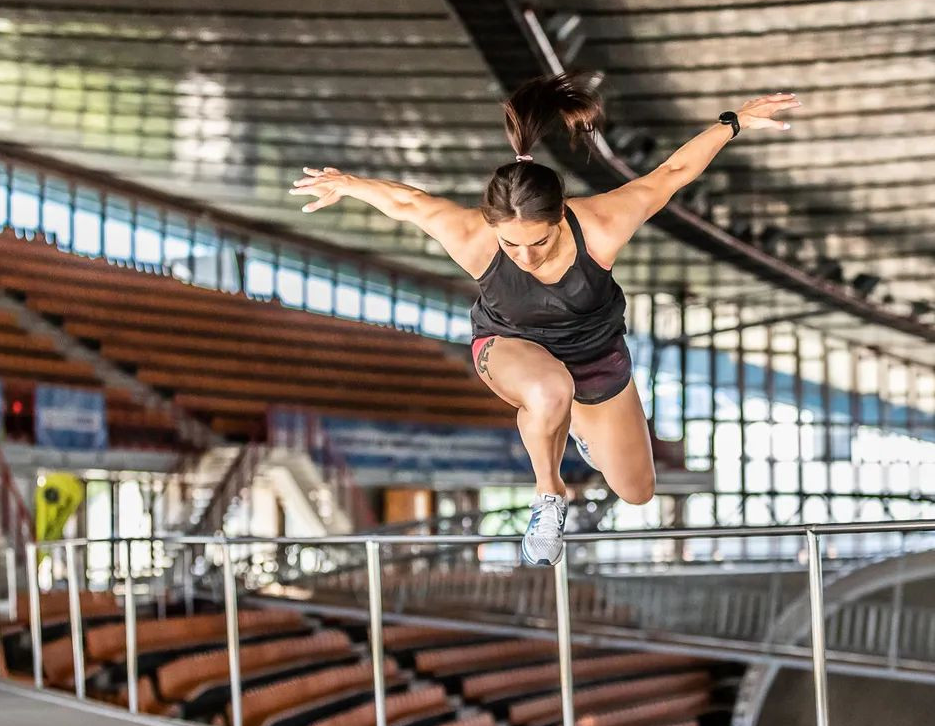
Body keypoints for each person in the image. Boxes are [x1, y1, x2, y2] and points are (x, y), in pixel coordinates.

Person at [291, 73, 799, 565]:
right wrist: (349, 184)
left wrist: (733, 122)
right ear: (492, 227)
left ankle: (573, 420)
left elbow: (669, 175)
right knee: (550, 389)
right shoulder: (471, 236)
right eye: (511, 244)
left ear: (561, 217)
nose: (526, 257)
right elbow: (408, 202)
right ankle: (548, 499)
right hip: (507, 348)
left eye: (540, 242)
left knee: (638, 490)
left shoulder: (600, 225)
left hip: (595, 356)